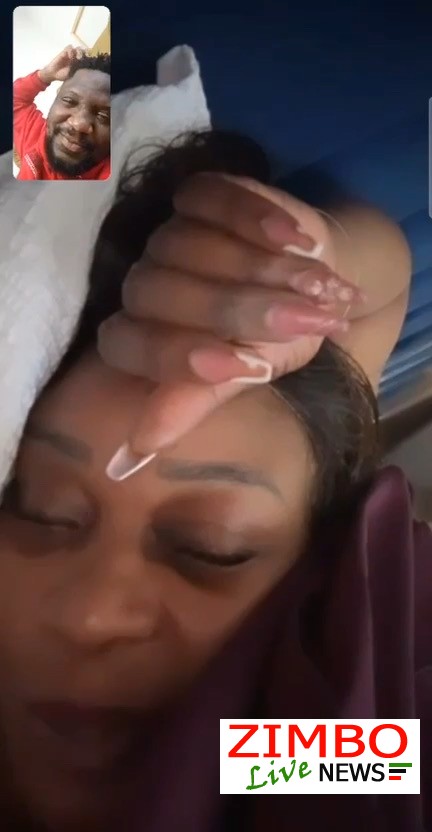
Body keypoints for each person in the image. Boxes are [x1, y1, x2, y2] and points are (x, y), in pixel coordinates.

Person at [0, 130, 430, 832]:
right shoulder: (299, 755)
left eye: (211, 549)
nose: (93, 616)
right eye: (43, 512)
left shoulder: (287, 766)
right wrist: (314, 265)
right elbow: (378, 295)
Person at [13, 45, 111, 181]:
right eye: (69, 101)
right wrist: (44, 76)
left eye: (104, 116)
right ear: (56, 98)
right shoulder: (34, 136)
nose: (79, 124)